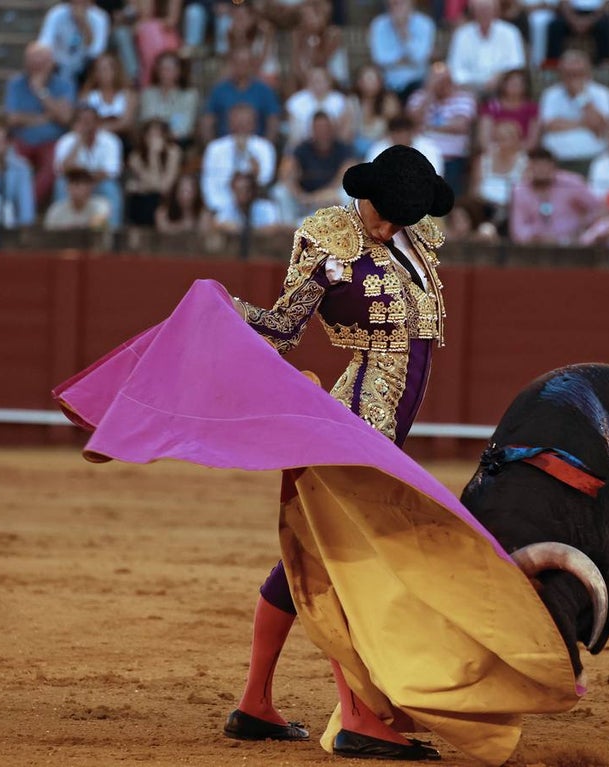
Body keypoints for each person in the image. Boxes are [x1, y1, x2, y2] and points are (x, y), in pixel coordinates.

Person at [224, 144, 454, 762]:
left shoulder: (415, 236)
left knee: (305, 555)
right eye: (382, 215)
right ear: (365, 192)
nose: (386, 228)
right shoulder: (328, 239)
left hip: (386, 424)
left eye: (400, 219)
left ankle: (255, 705)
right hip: (357, 420)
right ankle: (356, 717)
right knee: (342, 560)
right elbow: (283, 328)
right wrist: (225, 312)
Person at [4, 41, 76, 206]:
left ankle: (27, 205)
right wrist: (46, 116)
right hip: (22, 140)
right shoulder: (15, 84)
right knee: (12, 164)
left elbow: (65, 118)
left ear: (51, 63)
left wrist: (40, 91)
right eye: (33, 62)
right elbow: (12, 118)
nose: (36, 67)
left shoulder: (65, 84)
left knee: (54, 166)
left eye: (41, 63)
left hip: (51, 141)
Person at [405, 60, 476, 196]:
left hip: (452, 159)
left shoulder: (464, 98)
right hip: (422, 158)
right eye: (438, 80)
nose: (442, 84)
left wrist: (427, 126)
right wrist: (430, 93)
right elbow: (411, 121)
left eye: (445, 79)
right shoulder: (419, 97)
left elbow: (460, 126)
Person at [274, 111, 355, 224]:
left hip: (330, 197)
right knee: (280, 191)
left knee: (347, 193)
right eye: (318, 128)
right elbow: (285, 175)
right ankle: (289, 229)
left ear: (332, 129)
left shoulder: (343, 149)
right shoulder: (301, 149)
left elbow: (345, 176)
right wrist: (300, 195)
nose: (322, 131)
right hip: (304, 199)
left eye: (325, 127)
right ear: (311, 130)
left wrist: (319, 196)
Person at [509, 147, 602, 245]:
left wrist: (584, 227)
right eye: (536, 165)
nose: (541, 170)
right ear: (529, 167)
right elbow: (518, 229)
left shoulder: (572, 184)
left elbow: (598, 209)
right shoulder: (520, 192)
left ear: (553, 166)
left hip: (574, 245)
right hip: (535, 248)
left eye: (544, 165)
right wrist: (538, 238)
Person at [537, 51, 609, 169]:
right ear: (561, 74)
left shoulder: (602, 93)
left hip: (594, 157)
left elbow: (601, 126)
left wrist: (581, 97)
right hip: (557, 159)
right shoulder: (550, 94)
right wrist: (583, 123)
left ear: (588, 72)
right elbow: (550, 126)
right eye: (569, 74)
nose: (573, 79)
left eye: (578, 74)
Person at [53, 103, 124, 228]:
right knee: (61, 185)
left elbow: (110, 171)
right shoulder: (66, 141)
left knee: (111, 188)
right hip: (74, 184)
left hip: (99, 183)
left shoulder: (111, 141)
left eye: (90, 121)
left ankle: (113, 233)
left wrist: (85, 182)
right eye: (83, 121)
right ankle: (60, 233)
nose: (87, 125)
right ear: (76, 123)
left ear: (97, 122)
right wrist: (79, 141)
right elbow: (63, 170)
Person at [200, 102, 276, 215]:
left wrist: (255, 171)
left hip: (254, 206)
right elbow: (208, 182)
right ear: (230, 123)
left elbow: (266, 180)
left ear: (253, 124)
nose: (242, 126)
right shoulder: (215, 148)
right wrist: (216, 207)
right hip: (220, 205)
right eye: (238, 122)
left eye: (246, 122)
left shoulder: (264, 147)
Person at [201, 46, 281, 143]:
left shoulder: (264, 91)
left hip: (256, 144)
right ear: (232, 64)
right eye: (238, 62)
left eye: (245, 63)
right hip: (225, 145)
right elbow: (208, 120)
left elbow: (273, 121)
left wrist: (266, 146)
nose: (241, 66)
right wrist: (212, 146)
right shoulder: (219, 90)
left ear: (251, 64)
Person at [445, 0, 525, 95]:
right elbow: (455, 67)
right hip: (469, 88)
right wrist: (474, 83)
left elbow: (516, 63)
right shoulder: (461, 34)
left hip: (501, 87)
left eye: (487, 10)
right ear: (473, 12)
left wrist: (499, 77)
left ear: (496, 11)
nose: (484, 13)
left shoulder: (510, 32)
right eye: (480, 10)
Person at [468, 117, 527, 232]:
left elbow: (525, 194)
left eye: (505, 139)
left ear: (517, 140)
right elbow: (474, 191)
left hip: (512, 210)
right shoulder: (483, 160)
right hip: (484, 208)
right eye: (497, 139)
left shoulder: (525, 163)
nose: (500, 143)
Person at [367, 0, 433, 100]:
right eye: (394, 2)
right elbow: (379, 59)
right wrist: (408, 61)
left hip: (417, 83)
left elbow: (420, 57)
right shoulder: (378, 24)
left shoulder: (425, 23)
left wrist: (403, 31)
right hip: (387, 84)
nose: (397, 4)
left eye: (401, 2)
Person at [37, 0, 110, 84]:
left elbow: (96, 51)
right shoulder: (56, 13)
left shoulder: (99, 17)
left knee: (101, 64)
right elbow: (44, 42)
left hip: (85, 65)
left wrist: (83, 25)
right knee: (38, 55)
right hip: (58, 64)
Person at [126, 117, 180, 226]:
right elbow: (154, 184)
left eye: (158, 136)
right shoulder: (135, 157)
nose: (154, 140)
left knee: (155, 199)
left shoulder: (173, 152)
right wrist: (153, 155)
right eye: (150, 136)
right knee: (146, 199)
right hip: (144, 201)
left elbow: (165, 188)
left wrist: (140, 187)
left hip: (168, 199)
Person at [139, 51, 199, 148]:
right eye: (162, 69)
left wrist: (163, 133)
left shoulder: (189, 95)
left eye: (169, 69)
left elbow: (184, 128)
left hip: (178, 142)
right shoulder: (148, 94)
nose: (165, 73)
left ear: (178, 71)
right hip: (150, 142)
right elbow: (146, 122)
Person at [285, 66, 351, 146]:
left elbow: (345, 131)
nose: (317, 84)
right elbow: (295, 134)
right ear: (308, 82)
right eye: (314, 81)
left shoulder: (340, 101)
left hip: (333, 146)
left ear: (329, 82)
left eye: (321, 81)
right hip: (304, 145)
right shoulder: (296, 101)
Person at [80, 51, 138, 139]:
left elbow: (126, 123)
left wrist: (101, 127)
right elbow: (83, 122)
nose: (103, 73)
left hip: (122, 139)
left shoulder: (128, 94)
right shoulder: (88, 96)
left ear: (115, 71)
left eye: (106, 69)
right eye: (99, 69)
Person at [477, 68, 538, 150]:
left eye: (519, 83)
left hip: (522, 154)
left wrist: (512, 153)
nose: (515, 86)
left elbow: (532, 142)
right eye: (511, 82)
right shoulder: (491, 106)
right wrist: (499, 152)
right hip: (493, 152)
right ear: (503, 84)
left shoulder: (532, 108)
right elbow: (484, 140)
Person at [347, 63, 400, 158]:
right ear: (359, 82)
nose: (370, 83)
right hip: (356, 149)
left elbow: (395, 129)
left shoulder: (389, 102)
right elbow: (345, 134)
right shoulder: (352, 102)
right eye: (367, 79)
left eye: (373, 79)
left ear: (380, 82)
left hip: (382, 148)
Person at [363, 114, 443, 176]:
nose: (399, 136)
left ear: (411, 132)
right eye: (396, 132)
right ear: (390, 134)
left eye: (403, 132)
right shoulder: (378, 148)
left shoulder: (428, 147)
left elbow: (436, 176)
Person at [545, 0, 609, 67]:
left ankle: (604, 62)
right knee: (555, 26)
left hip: (596, 15)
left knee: (605, 26)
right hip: (572, 14)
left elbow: (606, 4)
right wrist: (573, 20)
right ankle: (553, 62)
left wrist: (589, 21)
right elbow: (564, 3)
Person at [213, 169, 285, 233]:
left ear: (253, 190)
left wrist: (247, 231)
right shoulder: (229, 207)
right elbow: (218, 224)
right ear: (233, 190)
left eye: (246, 190)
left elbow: (274, 227)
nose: (243, 194)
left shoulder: (266, 207)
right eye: (239, 190)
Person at [44, 165, 112, 229]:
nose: (76, 186)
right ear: (67, 187)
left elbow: (98, 224)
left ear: (90, 186)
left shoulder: (101, 205)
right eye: (72, 182)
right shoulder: (56, 210)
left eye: (81, 182)